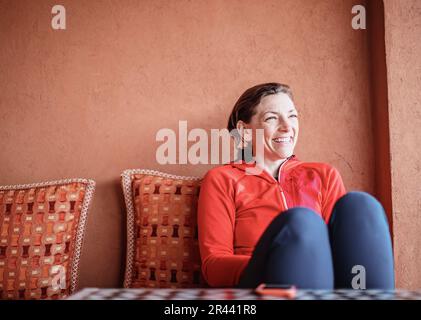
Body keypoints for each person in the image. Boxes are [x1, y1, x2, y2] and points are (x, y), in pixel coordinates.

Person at [197, 82, 395, 289]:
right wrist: (275, 262)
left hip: (325, 283)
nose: (287, 126)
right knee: (302, 221)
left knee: (361, 205)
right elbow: (214, 265)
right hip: (263, 283)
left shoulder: (323, 175)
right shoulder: (223, 178)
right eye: (272, 118)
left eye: (292, 116)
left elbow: (343, 249)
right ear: (244, 131)